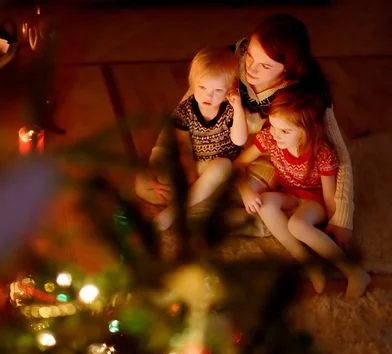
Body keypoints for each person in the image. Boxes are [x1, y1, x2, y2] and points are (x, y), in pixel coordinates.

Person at [232, 14, 355, 250]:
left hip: (269, 161)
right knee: (155, 188)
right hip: (227, 151)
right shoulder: (234, 58)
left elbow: (340, 156)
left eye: (266, 65)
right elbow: (188, 108)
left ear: (287, 69)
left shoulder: (307, 95)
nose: (251, 69)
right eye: (250, 56)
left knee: (243, 201)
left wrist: (341, 220)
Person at [233, 88, 370, 297]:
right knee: (265, 203)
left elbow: (328, 195)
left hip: (314, 201)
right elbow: (239, 164)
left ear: (307, 131)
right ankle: (306, 262)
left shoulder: (322, 153)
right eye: (273, 126)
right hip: (288, 193)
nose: (276, 134)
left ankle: (354, 272)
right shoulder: (271, 138)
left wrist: (333, 223)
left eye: (285, 131)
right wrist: (245, 191)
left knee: (296, 225)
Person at [135, 46, 247, 231]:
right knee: (143, 183)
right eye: (202, 87)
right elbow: (184, 146)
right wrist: (190, 175)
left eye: (218, 90)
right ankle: (199, 201)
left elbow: (239, 141)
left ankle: (175, 213)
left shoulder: (229, 109)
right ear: (192, 82)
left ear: (230, 89)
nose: (208, 95)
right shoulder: (185, 110)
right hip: (196, 165)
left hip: (221, 169)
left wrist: (238, 108)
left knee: (223, 166)